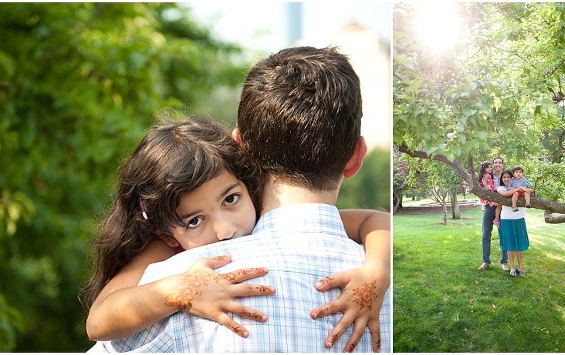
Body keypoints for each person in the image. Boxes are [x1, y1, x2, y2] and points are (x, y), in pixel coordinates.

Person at [90, 46, 391, 352]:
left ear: (242, 151)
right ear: (356, 158)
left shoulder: (174, 278)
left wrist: (378, 271)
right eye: (194, 220)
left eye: (230, 199)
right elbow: (98, 322)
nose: (224, 230)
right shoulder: (384, 282)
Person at [496, 170, 531, 277]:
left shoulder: (519, 184)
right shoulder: (501, 188)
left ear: (512, 178)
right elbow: (505, 194)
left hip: (519, 218)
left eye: (508, 177)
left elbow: (530, 190)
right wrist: (519, 188)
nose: (506, 179)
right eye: (504, 177)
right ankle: (512, 267)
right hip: (506, 219)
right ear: (501, 179)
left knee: (519, 245)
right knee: (510, 245)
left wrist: (522, 189)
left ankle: (520, 267)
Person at [478, 157, 509, 271]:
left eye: (499, 162)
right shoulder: (488, 176)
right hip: (489, 208)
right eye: (495, 162)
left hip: (502, 209)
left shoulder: (506, 177)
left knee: (504, 235)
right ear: (492, 164)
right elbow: (483, 187)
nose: (497, 164)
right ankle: (485, 262)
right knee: (486, 234)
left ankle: (503, 262)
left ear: (502, 165)